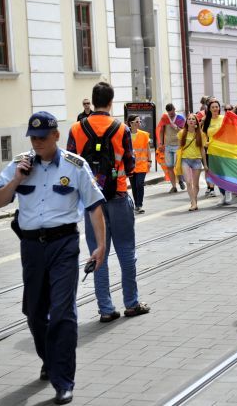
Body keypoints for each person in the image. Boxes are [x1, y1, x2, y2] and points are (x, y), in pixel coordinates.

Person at [0, 111, 106, 405]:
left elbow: (94, 206)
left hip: (64, 245)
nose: (38, 143)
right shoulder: (20, 164)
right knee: (34, 313)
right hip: (31, 247)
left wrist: (101, 246)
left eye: (43, 137)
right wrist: (17, 178)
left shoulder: (75, 165)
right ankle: (49, 358)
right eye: (33, 138)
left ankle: (63, 381)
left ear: (56, 135)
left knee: (63, 312)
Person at [67, 81, 150, 322]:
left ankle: (105, 308)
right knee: (126, 251)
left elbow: (71, 162)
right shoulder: (121, 128)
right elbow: (131, 164)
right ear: (111, 102)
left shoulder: (76, 128)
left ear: (92, 101)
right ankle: (132, 303)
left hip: (92, 201)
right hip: (118, 194)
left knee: (97, 252)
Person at [202, 99, 231, 204]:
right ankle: (222, 194)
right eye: (213, 107)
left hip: (223, 150)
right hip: (212, 150)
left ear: (219, 108)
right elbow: (204, 135)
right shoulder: (207, 121)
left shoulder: (223, 118)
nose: (215, 109)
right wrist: (205, 143)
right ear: (209, 109)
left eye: (216, 107)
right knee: (216, 174)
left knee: (224, 172)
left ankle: (228, 191)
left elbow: (229, 131)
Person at [177, 113, 208, 211]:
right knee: (188, 182)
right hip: (185, 160)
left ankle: (193, 200)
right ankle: (194, 203)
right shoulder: (182, 133)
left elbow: (203, 150)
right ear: (186, 121)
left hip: (197, 161)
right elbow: (179, 148)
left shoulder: (201, 134)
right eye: (189, 119)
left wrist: (205, 164)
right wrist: (177, 161)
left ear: (196, 121)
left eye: (193, 119)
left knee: (196, 185)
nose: (191, 121)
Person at [157, 103, 186, 192]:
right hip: (168, 145)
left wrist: (176, 127)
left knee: (177, 166)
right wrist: (161, 143)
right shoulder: (165, 118)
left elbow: (184, 131)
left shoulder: (180, 118)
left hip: (178, 144)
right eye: (169, 112)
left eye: (172, 111)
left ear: (174, 109)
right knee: (169, 167)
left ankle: (180, 180)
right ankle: (174, 186)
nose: (171, 114)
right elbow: (161, 131)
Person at [128, 114, 152, 213]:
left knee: (139, 184)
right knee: (134, 186)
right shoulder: (125, 134)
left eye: (140, 121)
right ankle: (136, 205)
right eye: (137, 121)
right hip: (131, 165)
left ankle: (139, 205)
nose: (139, 123)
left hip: (142, 164)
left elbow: (148, 149)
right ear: (131, 123)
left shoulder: (144, 134)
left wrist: (150, 160)